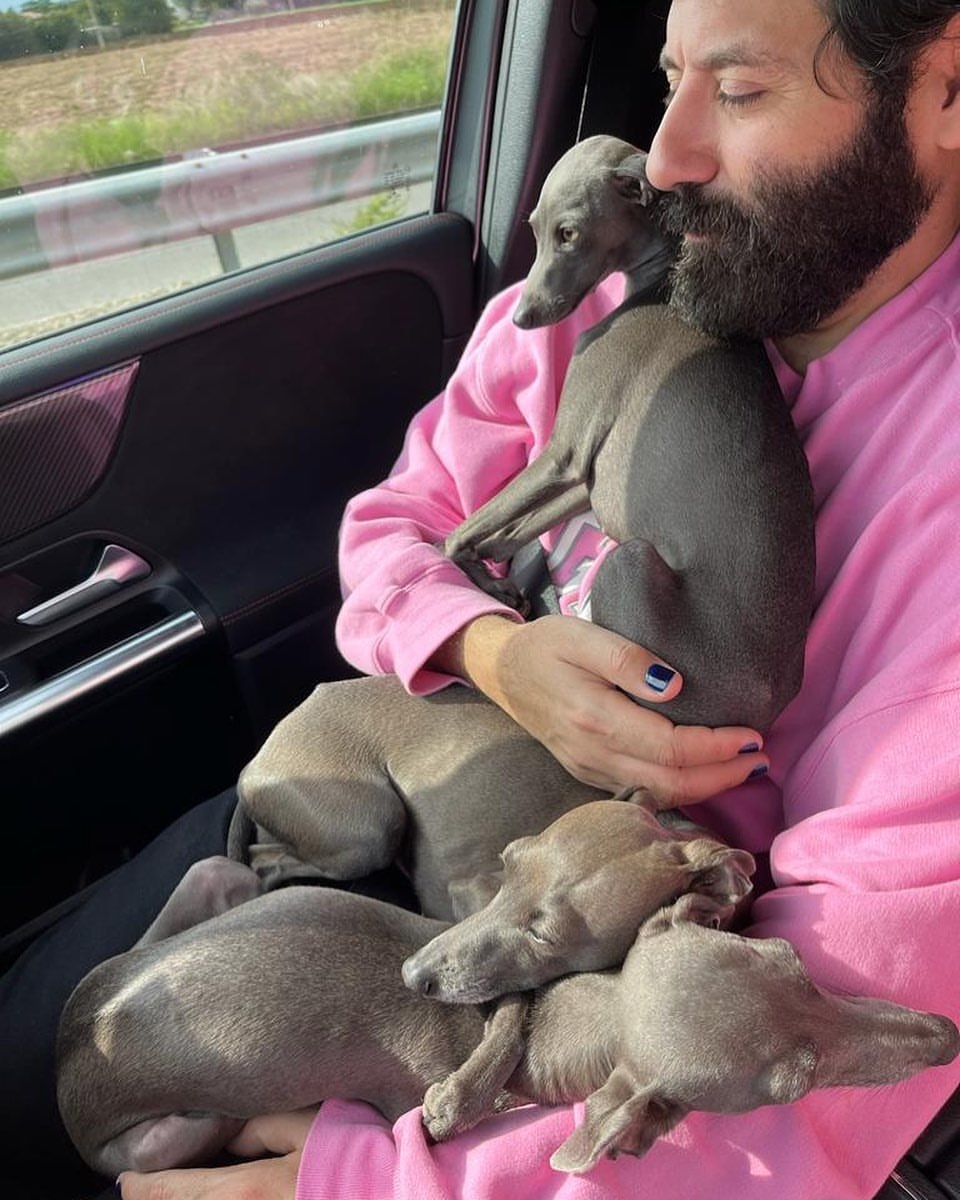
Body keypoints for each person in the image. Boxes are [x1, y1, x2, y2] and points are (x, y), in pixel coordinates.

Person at [13, 0, 960, 1196]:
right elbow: (392, 523)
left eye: (739, 90)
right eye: (668, 76)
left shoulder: (938, 486)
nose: (666, 154)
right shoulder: (618, 282)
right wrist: (488, 651)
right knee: (20, 1090)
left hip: (572, 982)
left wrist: (333, 1183)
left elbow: (806, 1052)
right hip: (373, 796)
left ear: (946, 86)